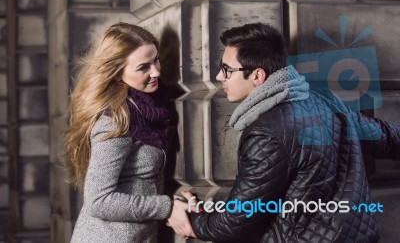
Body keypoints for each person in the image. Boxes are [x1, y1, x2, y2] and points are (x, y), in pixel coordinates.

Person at [183, 23, 400, 242]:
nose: (219, 76)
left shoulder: (266, 133)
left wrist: (192, 222)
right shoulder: (325, 99)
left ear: (257, 75)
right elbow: (388, 137)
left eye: (227, 70)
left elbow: (238, 219)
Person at [63, 22, 195, 242]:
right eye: (144, 67)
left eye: (156, 60)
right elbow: (99, 201)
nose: (156, 72)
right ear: (117, 73)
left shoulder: (153, 104)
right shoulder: (116, 120)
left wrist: (178, 201)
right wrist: (167, 206)